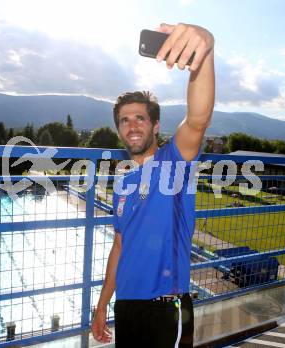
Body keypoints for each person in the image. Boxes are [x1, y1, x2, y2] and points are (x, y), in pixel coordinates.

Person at [91, 22, 215, 347]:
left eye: (140, 118)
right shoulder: (123, 182)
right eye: (124, 120)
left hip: (167, 310)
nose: (131, 125)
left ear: (155, 125)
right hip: (127, 308)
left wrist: (205, 52)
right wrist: (102, 305)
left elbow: (199, 119)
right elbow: (119, 247)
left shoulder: (174, 162)